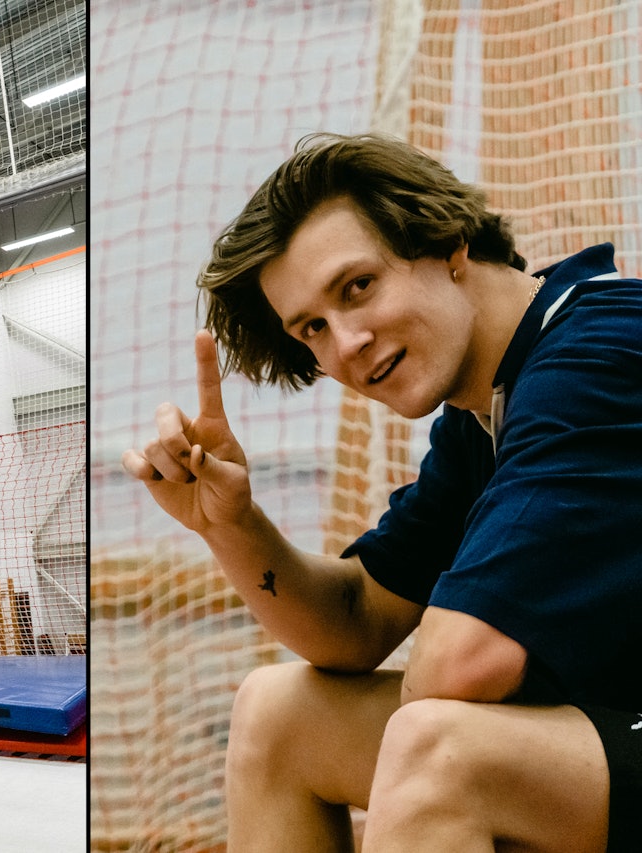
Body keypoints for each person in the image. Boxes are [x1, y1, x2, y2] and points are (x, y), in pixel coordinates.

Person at [121, 132, 642, 851]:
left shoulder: (599, 350)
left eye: (357, 287)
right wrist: (231, 525)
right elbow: (357, 618)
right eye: (313, 328)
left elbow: (461, 664)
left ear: (448, 243)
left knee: (438, 753)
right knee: (280, 713)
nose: (347, 344)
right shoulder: (479, 414)